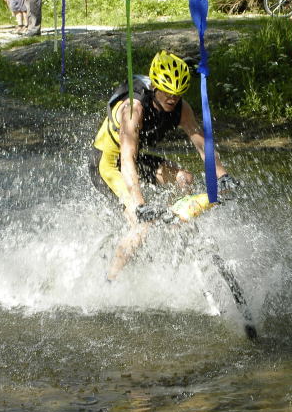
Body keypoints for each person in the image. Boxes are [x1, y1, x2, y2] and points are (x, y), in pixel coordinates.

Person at [88, 51, 239, 281]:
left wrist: (222, 175)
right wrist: (139, 204)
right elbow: (126, 159)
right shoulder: (134, 110)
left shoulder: (181, 108)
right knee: (143, 224)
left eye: (177, 94)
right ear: (155, 86)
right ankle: (109, 282)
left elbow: (201, 144)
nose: (172, 98)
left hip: (136, 159)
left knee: (184, 179)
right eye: (167, 92)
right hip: (108, 164)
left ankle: (175, 232)